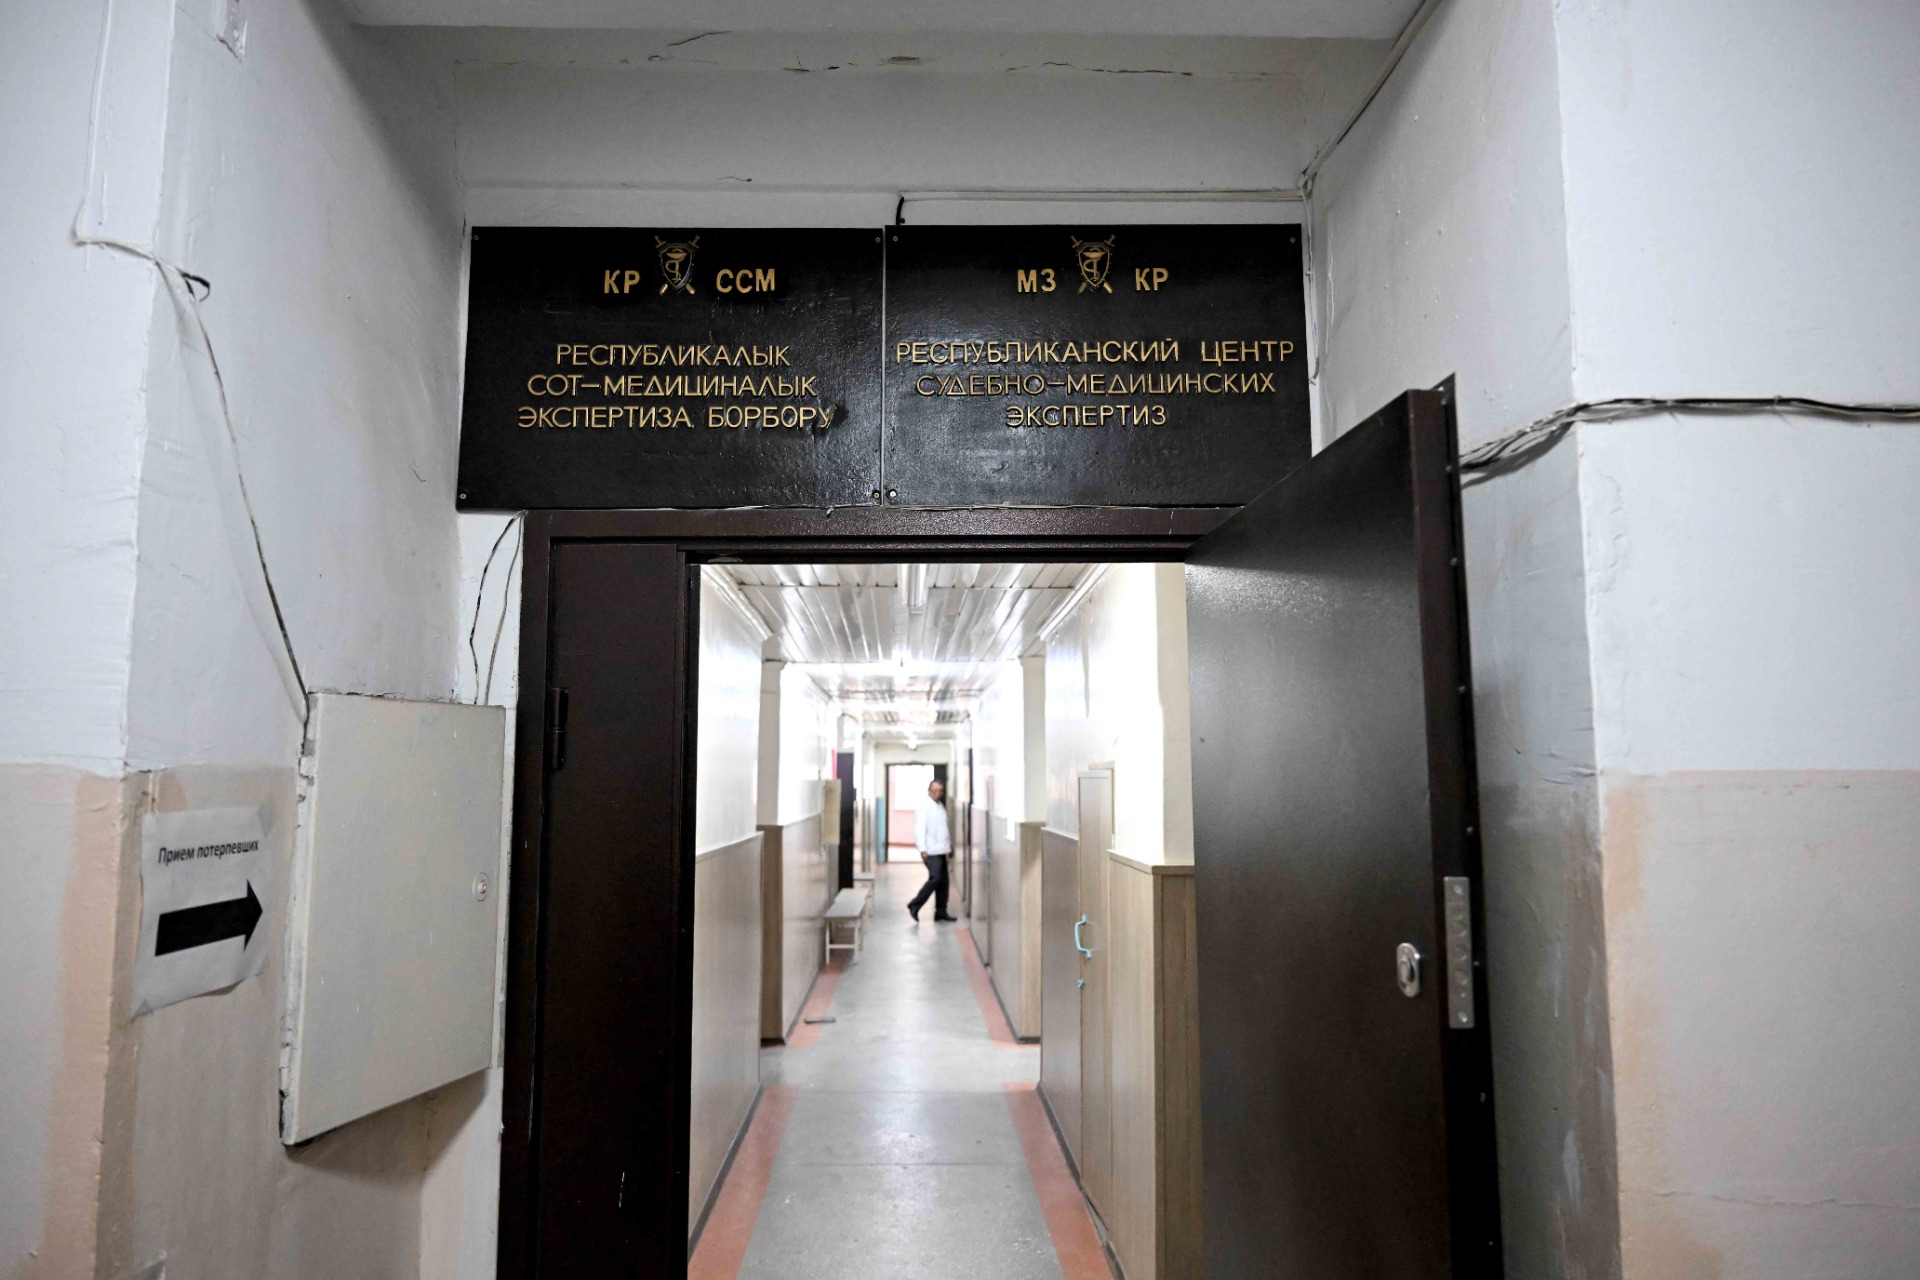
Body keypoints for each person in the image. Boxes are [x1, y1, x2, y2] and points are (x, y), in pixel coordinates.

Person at [907, 778, 957, 922]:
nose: (937, 793)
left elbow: (943, 829)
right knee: (935, 879)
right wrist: (922, 849)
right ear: (929, 791)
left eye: (940, 791)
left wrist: (949, 847)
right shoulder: (924, 806)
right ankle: (914, 904)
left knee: (944, 883)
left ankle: (941, 912)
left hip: (941, 850)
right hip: (931, 851)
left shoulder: (940, 806)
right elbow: (919, 829)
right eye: (935, 790)